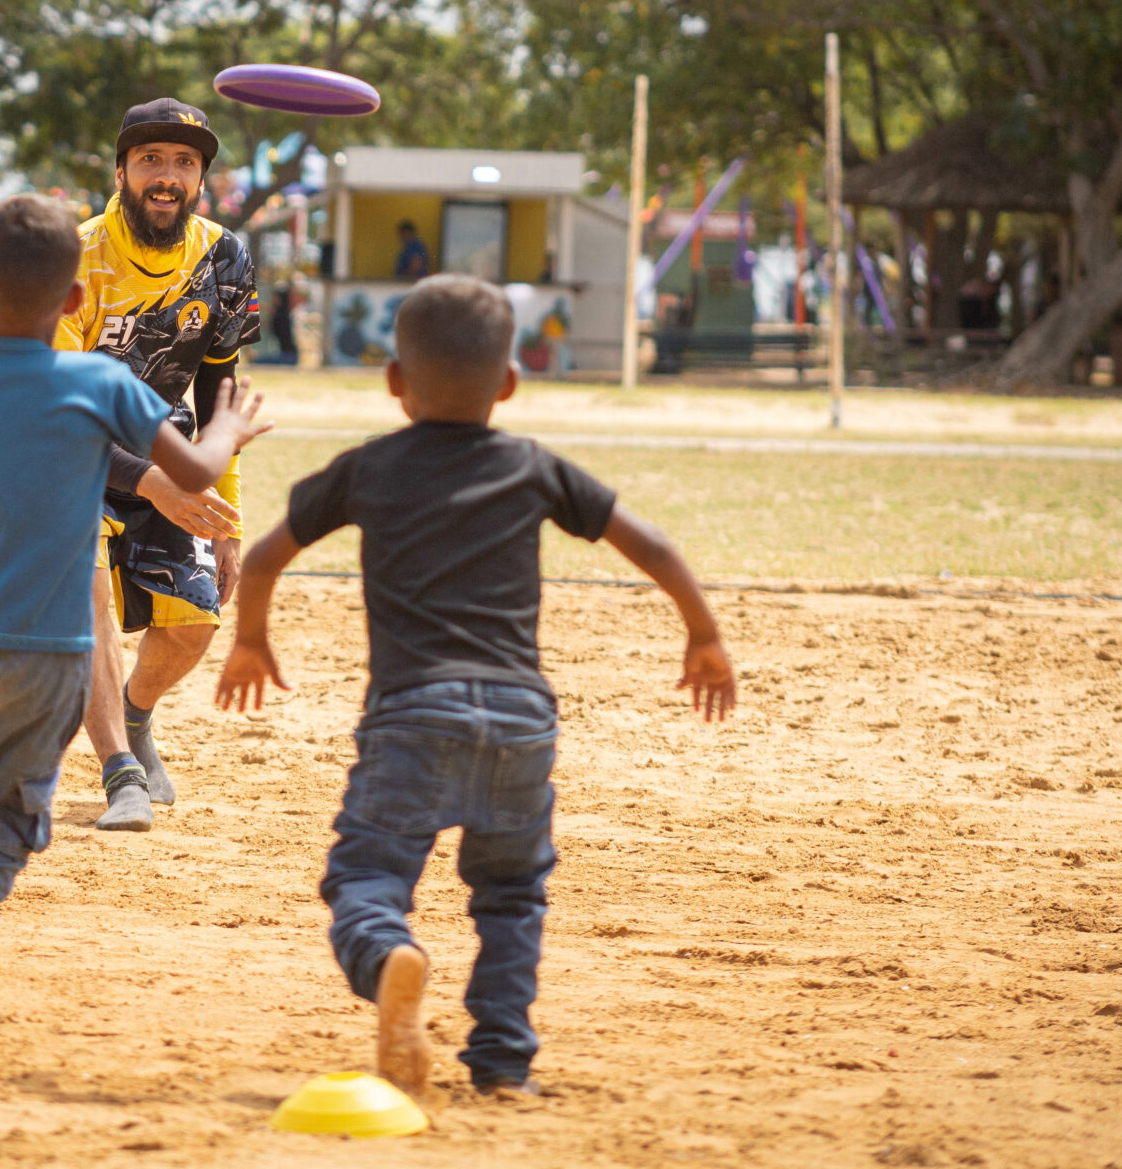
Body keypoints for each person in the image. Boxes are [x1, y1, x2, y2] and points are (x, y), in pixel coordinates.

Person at [216, 274, 737, 1098]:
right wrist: (703, 636)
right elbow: (657, 547)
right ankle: (501, 1065)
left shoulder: (366, 470)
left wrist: (250, 641)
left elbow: (268, 554)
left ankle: (389, 951)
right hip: (522, 721)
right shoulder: (533, 467)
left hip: (411, 716)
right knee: (512, 894)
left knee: (367, 878)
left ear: (394, 381)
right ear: (509, 383)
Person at [0, 193, 273, 1007]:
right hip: (48, 652)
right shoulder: (100, 383)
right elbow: (197, 473)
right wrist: (230, 431)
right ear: (73, 300)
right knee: (8, 814)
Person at [55, 99, 261, 832]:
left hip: (169, 448)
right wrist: (155, 486)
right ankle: (121, 773)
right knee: (87, 598)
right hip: (70, 459)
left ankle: (135, 716)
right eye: (151, 160)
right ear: (120, 172)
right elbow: (59, 413)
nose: (167, 176)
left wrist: (222, 511)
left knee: (197, 622)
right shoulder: (72, 258)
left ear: (201, 179)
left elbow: (219, 387)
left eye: (184, 163)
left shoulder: (223, 257)